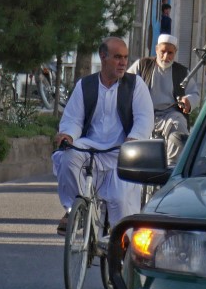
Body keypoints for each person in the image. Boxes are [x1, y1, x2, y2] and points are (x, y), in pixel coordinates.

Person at [54, 37, 153, 234]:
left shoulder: (135, 85)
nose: (123, 62)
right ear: (103, 57)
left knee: (120, 202)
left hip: (121, 153)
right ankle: (75, 209)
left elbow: (144, 118)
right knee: (68, 157)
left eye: (125, 57)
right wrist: (67, 135)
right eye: (117, 57)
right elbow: (74, 119)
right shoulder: (86, 85)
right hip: (90, 148)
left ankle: (120, 250)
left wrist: (134, 139)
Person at [129, 34, 200, 168]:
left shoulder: (182, 72)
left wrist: (188, 100)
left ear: (175, 53)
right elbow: (126, 84)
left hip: (171, 114)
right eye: (163, 52)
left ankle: (172, 167)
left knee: (178, 129)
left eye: (170, 53)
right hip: (144, 113)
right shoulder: (142, 65)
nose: (166, 56)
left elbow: (194, 94)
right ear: (156, 50)